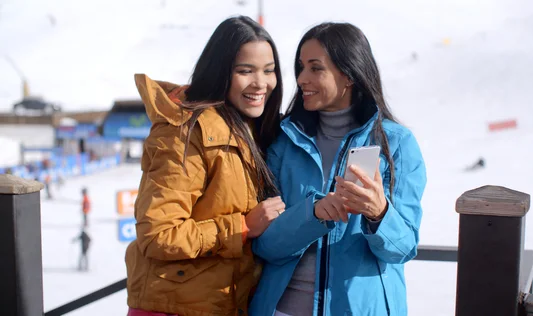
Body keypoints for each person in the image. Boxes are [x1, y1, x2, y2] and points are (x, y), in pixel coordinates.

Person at [249, 22, 427, 316]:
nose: (302, 78)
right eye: (301, 67)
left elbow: (403, 248)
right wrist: (313, 213)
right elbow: (266, 246)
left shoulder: (396, 144)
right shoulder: (284, 141)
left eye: (315, 68)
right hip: (282, 309)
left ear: (348, 75)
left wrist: (379, 213)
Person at [125, 16, 285, 316]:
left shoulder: (249, 129)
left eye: (269, 71)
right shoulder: (186, 131)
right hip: (174, 308)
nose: (261, 83)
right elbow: (158, 234)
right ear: (220, 72)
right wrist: (243, 227)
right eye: (245, 71)